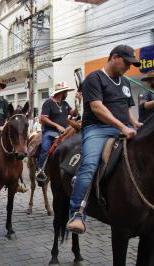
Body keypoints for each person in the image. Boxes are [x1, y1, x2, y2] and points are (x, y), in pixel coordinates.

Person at [67, 45, 142, 234]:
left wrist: (135, 124)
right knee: (89, 165)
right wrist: (122, 126)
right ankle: (77, 212)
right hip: (98, 129)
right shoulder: (94, 78)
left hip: (123, 127)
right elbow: (98, 108)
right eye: (126, 63)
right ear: (114, 57)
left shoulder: (124, 82)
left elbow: (126, 108)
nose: (128, 67)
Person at [36, 82, 76, 185]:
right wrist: (56, 125)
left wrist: (78, 101)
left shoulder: (65, 104)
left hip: (64, 131)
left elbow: (74, 113)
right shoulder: (48, 102)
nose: (67, 93)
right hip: (50, 131)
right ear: (61, 92)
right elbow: (43, 118)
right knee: (45, 147)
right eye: (66, 92)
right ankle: (41, 169)